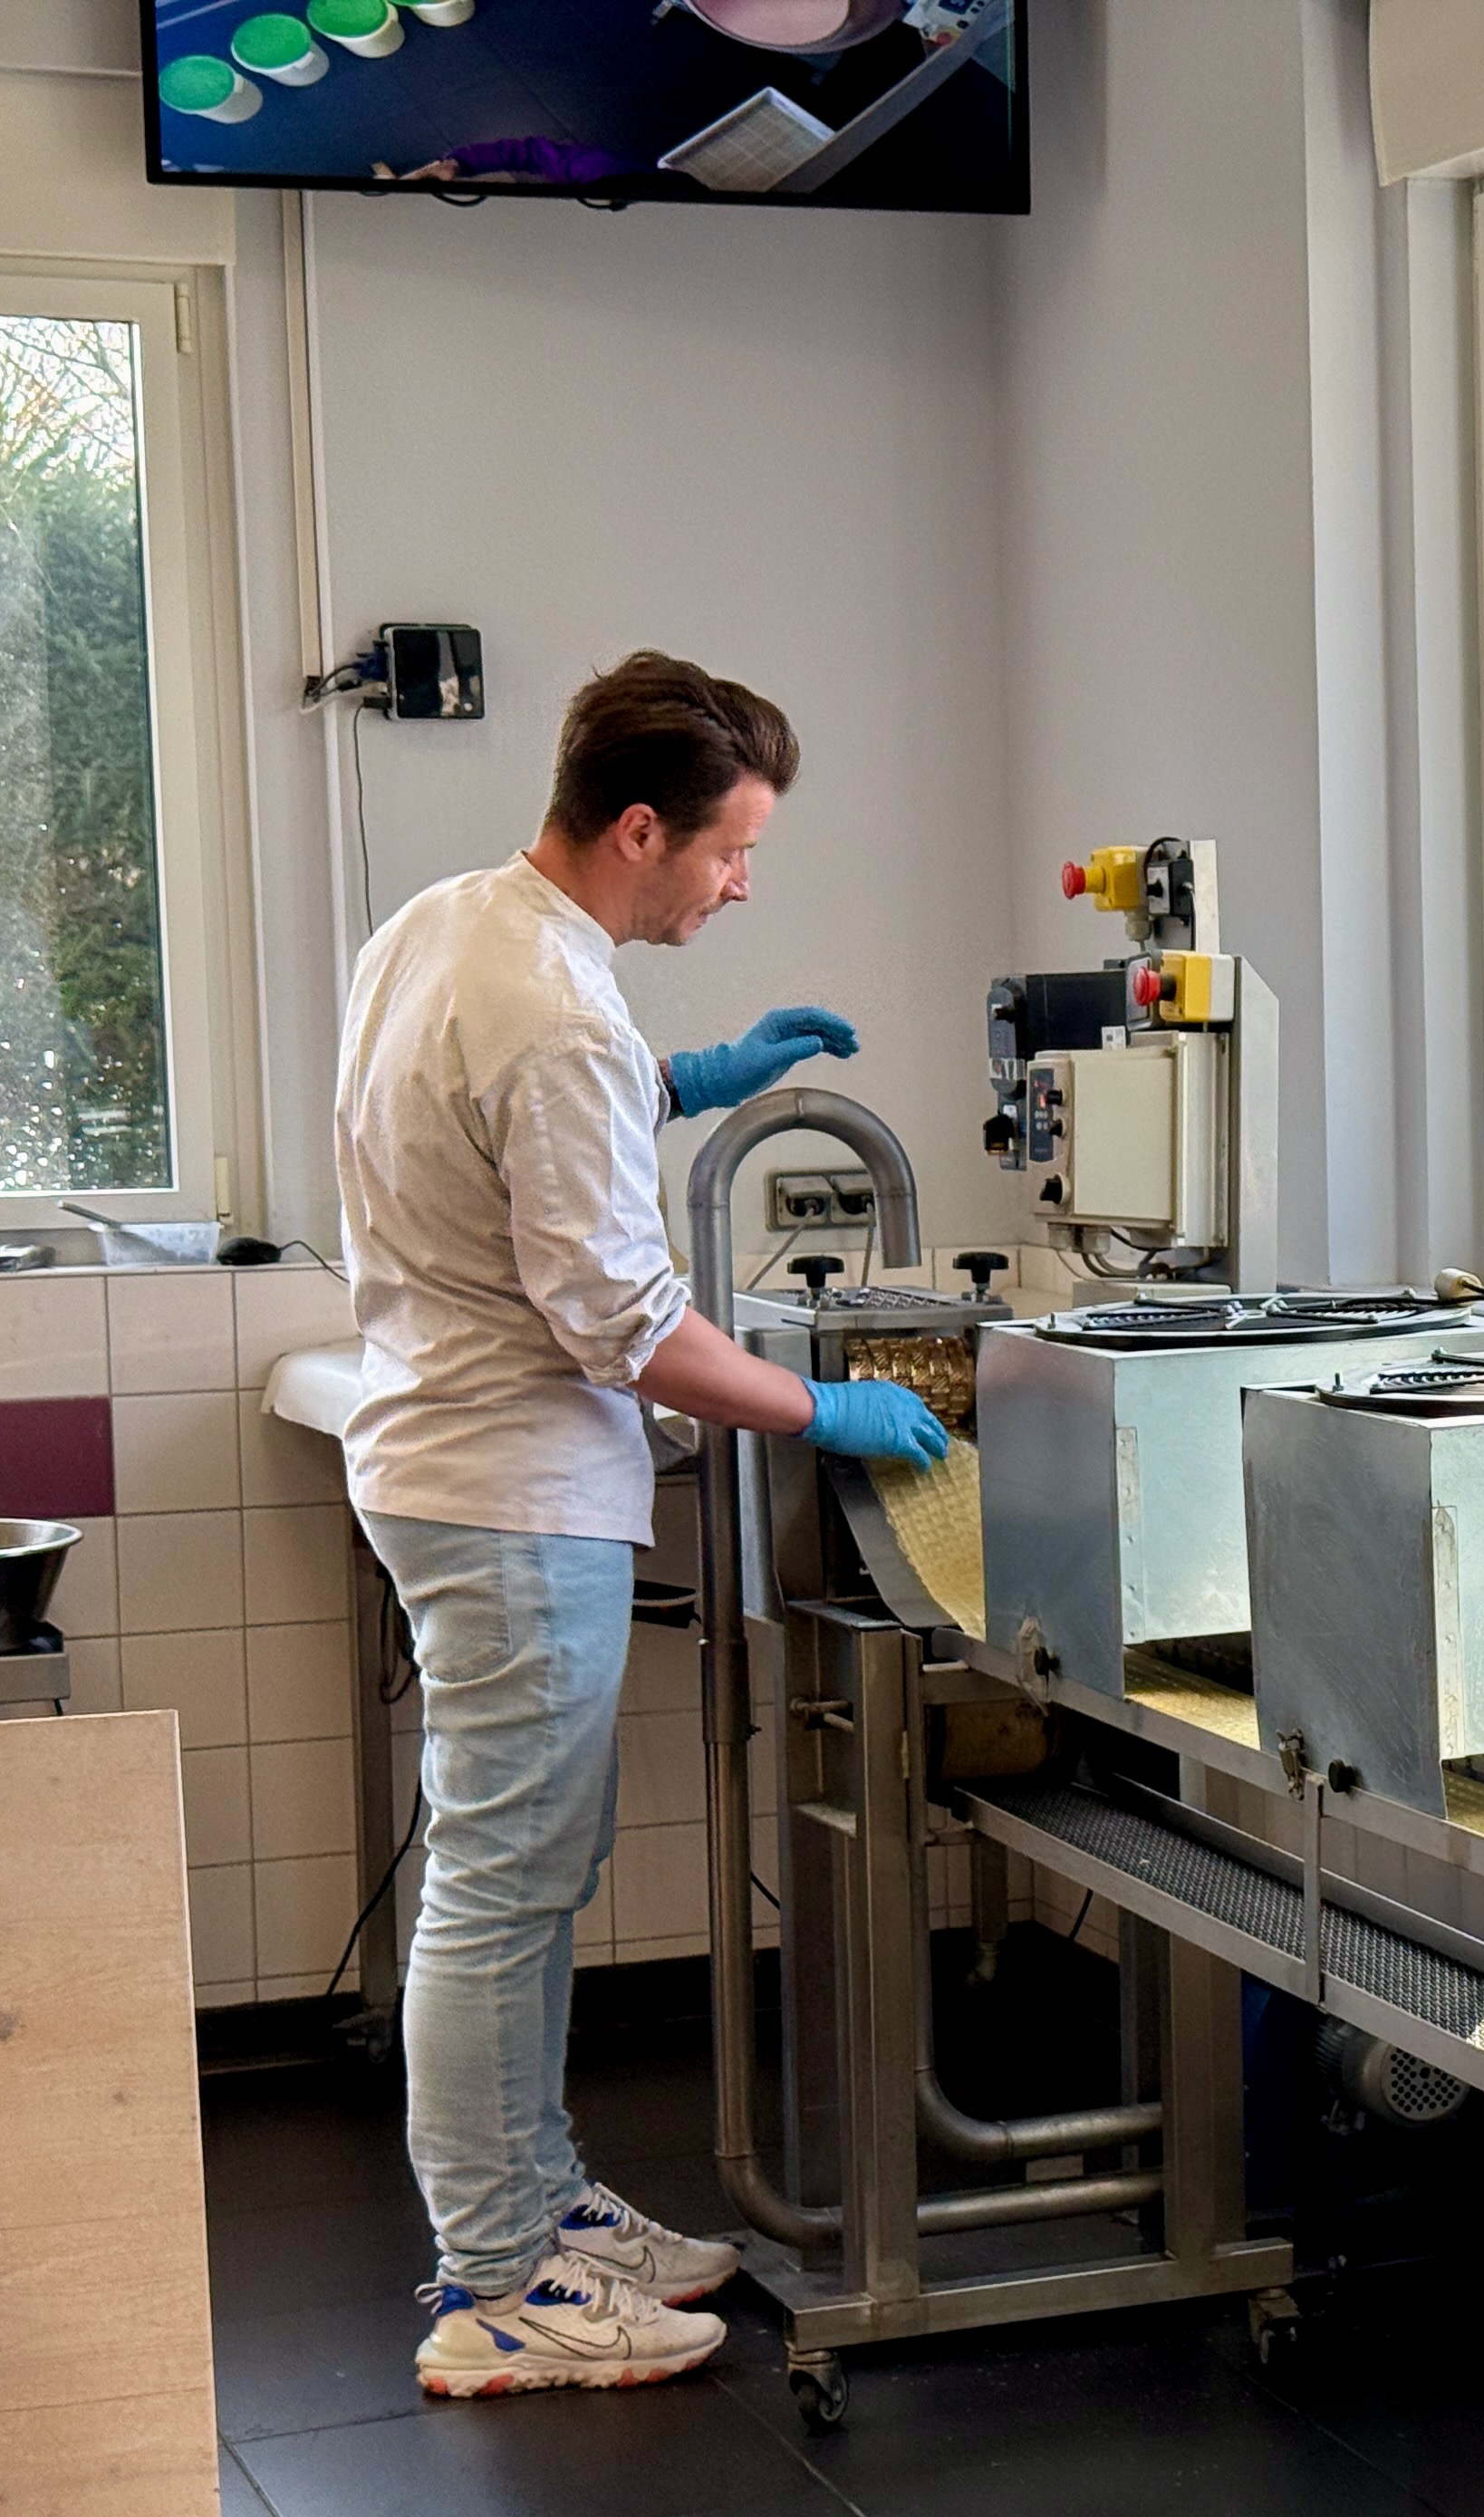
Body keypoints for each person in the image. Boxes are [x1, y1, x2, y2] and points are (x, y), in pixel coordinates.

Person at [334, 651, 952, 2397]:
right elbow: (624, 1319)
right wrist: (822, 1404)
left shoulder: (458, 929)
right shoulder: (554, 1010)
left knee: (522, 1876)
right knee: (505, 1887)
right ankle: (497, 2284)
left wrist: (690, 1074)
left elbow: (502, 1116)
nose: (743, 879)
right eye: (731, 849)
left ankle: (532, 2209)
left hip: (452, 1466)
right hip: (513, 1489)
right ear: (636, 828)